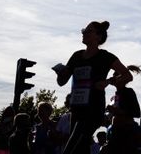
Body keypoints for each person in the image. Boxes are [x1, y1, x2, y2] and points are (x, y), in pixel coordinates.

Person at [55, 20, 133, 154]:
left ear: (99, 36)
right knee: (81, 147)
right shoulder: (76, 56)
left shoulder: (105, 57)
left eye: (88, 31)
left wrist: (108, 81)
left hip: (93, 109)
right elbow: (61, 82)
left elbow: (127, 75)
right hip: (76, 109)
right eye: (83, 31)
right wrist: (60, 73)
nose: (84, 33)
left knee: (73, 145)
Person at [102, 65, 141, 153]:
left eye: (115, 76)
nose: (112, 78)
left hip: (126, 133)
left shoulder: (129, 92)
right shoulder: (115, 96)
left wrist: (117, 111)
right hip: (116, 132)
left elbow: (136, 113)